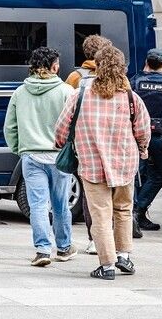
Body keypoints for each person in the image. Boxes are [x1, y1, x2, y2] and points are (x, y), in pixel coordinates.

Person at [54, 46, 150, 280]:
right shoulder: (131, 97)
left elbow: (62, 128)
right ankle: (124, 256)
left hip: (91, 163)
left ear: (96, 66)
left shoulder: (80, 94)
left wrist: (60, 143)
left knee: (101, 215)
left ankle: (107, 265)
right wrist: (143, 149)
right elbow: (143, 130)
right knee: (123, 210)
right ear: (122, 67)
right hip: (125, 163)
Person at [4, 47, 77, 267]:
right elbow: (74, 124)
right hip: (59, 156)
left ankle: (42, 250)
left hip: (32, 156)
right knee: (60, 204)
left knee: (37, 205)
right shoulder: (67, 92)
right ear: (54, 67)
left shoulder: (20, 92)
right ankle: (64, 247)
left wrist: (20, 149)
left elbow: (10, 127)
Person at [64, 34, 113, 255]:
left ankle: (94, 238)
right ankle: (112, 237)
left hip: (84, 142)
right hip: (111, 141)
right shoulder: (116, 76)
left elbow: (67, 108)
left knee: (89, 191)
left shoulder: (75, 77)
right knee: (113, 191)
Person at [130, 48, 162, 237]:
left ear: (147, 62)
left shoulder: (135, 82)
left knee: (140, 176)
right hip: (161, 137)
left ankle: (136, 213)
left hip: (136, 136)